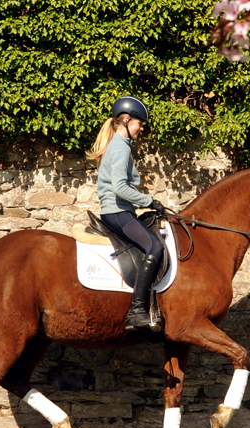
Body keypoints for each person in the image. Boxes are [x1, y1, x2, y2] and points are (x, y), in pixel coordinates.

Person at [86, 96, 167, 331]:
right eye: (139, 123)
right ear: (126, 119)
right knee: (155, 247)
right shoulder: (120, 147)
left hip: (120, 211)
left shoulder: (118, 145)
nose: (141, 129)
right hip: (118, 212)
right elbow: (119, 187)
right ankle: (136, 311)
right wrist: (150, 201)